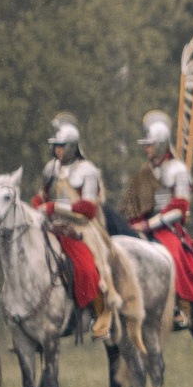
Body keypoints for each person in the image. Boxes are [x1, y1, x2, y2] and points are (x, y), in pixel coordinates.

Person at [131, 112, 193, 330]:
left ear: (162, 145)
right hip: (145, 225)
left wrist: (150, 224)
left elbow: (180, 208)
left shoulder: (178, 170)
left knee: (172, 253)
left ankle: (181, 308)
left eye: (150, 145)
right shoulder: (146, 172)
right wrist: (135, 220)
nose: (147, 149)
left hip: (168, 228)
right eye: (146, 145)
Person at [37, 120, 121, 343]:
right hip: (53, 225)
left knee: (88, 268)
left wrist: (55, 207)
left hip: (81, 226)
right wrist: (39, 208)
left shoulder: (88, 171)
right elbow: (43, 197)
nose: (58, 150)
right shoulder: (50, 168)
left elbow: (88, 209)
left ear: (72, 146)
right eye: (56, 145)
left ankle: (101, 316)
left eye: (62, 145)